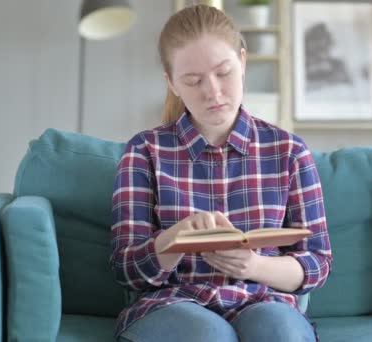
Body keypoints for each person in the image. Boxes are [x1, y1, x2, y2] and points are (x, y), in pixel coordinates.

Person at [111, 4, 331, 342]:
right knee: (209, 335)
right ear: (172, 83)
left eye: (223, 72)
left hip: (265, 302)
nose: (212, 92)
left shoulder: (290, 152)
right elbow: (127, 271)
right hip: (174, 304)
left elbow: (317, 264)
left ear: (242, 62)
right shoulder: (144, 152)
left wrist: (254, 266)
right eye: (193, 80)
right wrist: (174, 239)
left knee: (279, 331)